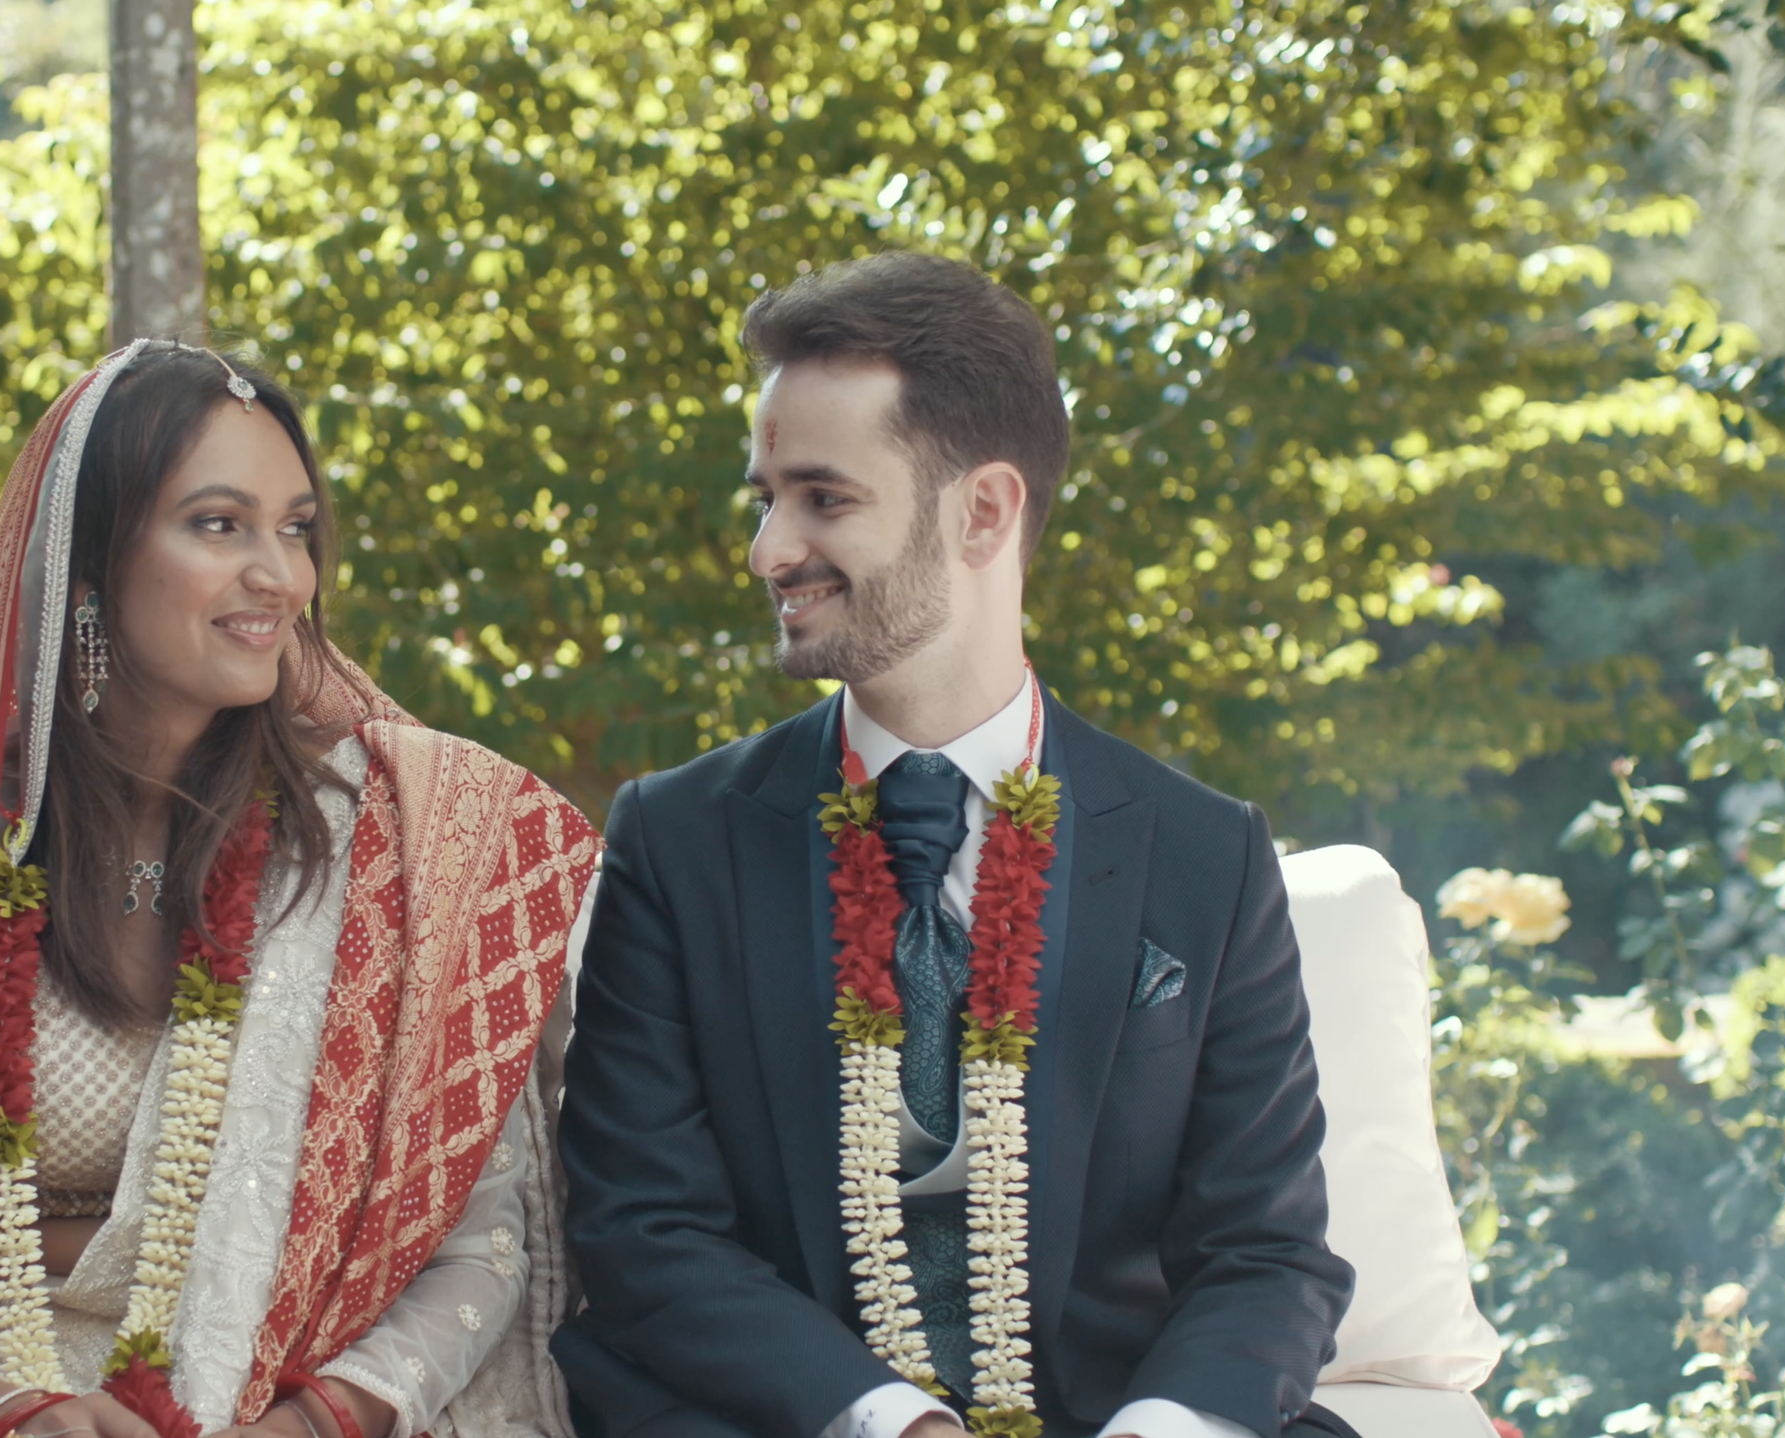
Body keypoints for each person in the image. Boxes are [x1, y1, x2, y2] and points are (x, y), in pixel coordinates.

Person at [554, 253, 1356, 1438]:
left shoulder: (1204, 855)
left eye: (822, 499)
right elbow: (643, 1232)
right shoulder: (678, 840)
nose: (768, 549)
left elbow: (1265, 1253)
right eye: (763, 497)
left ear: (981, 511)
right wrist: (895, 1425)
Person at [0, 340, 601, 1438]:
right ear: (91, 563)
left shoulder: (384, 846)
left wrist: (318, 1422)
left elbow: (480, 1242)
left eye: (294, 528)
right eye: (217, 524)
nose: (279, 576)